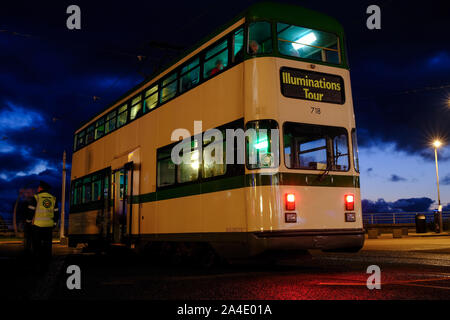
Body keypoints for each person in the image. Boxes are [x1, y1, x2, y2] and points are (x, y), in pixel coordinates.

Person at [27, 181, 59, 270]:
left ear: (41, 188)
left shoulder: (36, 197)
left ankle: (37, 264)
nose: (37, 188)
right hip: (49, 226)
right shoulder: (53, 198)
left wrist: (28, 221)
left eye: (38, 187)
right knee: (48, 246)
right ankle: (47, 263)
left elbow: (31, 211)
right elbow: (56, 212)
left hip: (37, 226)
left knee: (36, 245)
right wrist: (55, 223)